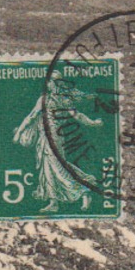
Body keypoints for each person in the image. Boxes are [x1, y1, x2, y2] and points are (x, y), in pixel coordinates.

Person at [12, 70, 102, 214]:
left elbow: (77, 115)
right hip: (43, 138)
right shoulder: (43, 99)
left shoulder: (64, 100)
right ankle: (54, 202)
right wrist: (19, 132)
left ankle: (84, 191)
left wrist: (92, 123)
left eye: (55, 82)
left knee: (58, 168)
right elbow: (31, 116)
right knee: (47, 169)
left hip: (55, 138)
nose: (52, 85)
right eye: (50, 81)